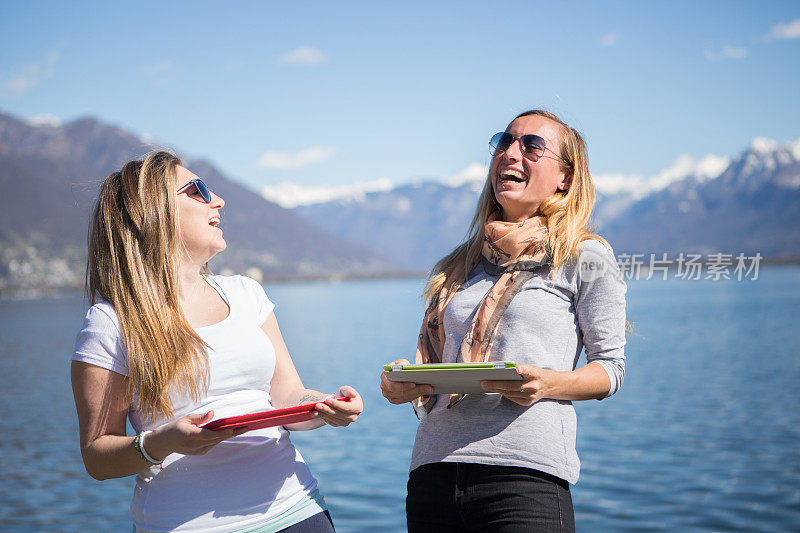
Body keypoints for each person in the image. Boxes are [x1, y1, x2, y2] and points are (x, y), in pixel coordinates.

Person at [71, 151, 363, 532]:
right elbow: (98, 457)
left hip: (299, 512)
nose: (218, 200)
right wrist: (162, 442)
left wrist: (323, 406)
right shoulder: (111, 323)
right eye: (198, 190)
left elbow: (288, 396)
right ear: (154, 211)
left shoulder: (247, 294)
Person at [380, 110, 628, 532]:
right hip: (434, 473)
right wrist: (401, 384)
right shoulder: (457, 266)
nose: (511, 153)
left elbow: (610, 369)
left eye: (531, 145)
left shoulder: (585, 256)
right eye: (504, 142)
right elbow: (439, 366)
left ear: (564, 178)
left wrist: (546, 383)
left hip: (524, 478)